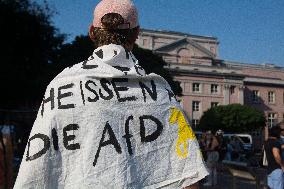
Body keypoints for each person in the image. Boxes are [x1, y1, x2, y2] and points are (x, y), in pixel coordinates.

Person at [14, 0, 208, 188]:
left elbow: (38, 169)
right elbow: (186, 171)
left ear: (92, 32)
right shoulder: (159, 91)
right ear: (136, 34)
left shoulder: (61, 86)